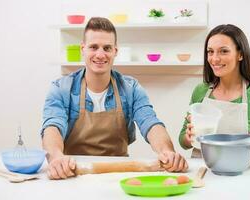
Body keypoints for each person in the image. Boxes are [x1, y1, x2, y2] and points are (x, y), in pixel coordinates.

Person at [41, 17, 188, 179]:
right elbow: (52, 127)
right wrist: (56, 157)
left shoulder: (131, 88)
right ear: (83, 49)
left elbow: (151, 123)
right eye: (93, 47)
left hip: (118, 174)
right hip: (72, 173)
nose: (100, 54)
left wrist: (167, 152)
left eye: (107, 48)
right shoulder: (61, 88)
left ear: (115, 51)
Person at [179, 24, 250, 161]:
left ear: (240, 54)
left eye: (223, 51)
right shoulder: (201, 91)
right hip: (202, 171)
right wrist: (189, 137)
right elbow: (183, 141)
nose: (214, 59)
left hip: (240, 173)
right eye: (210, 51)